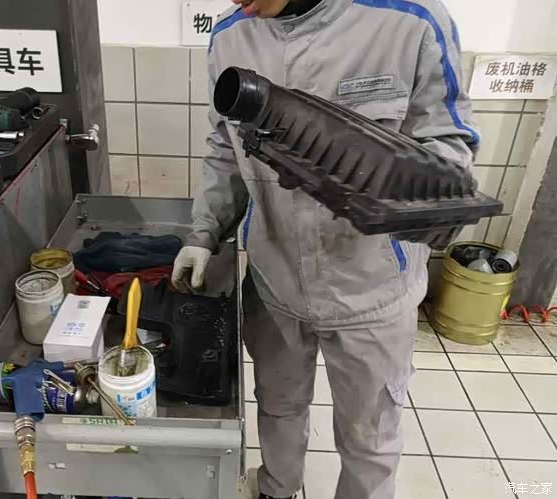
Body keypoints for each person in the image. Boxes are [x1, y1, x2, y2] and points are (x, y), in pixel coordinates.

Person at [172, 0, 479, 498]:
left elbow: (452, 151)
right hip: (275, 278)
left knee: (368, 437)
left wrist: (365, 174)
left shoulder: (408, 21)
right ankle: (276, 488)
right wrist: (203, 234)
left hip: (371, 288)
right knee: (277, 405)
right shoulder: (232, 34)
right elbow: (225, 147)